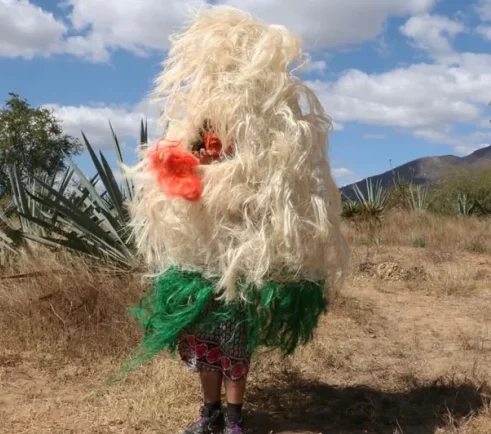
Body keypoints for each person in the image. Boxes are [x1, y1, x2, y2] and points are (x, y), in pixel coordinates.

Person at [122, 6, 349, 434]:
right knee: (203, 346)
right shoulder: (192, 132)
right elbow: (175, 181)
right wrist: (194, 166)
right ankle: (209, 413)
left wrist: (229, 175)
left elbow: (273, 187)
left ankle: (233, 418)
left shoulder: (265, 137)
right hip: (202, 262)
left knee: (234, 345)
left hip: (241, 264)